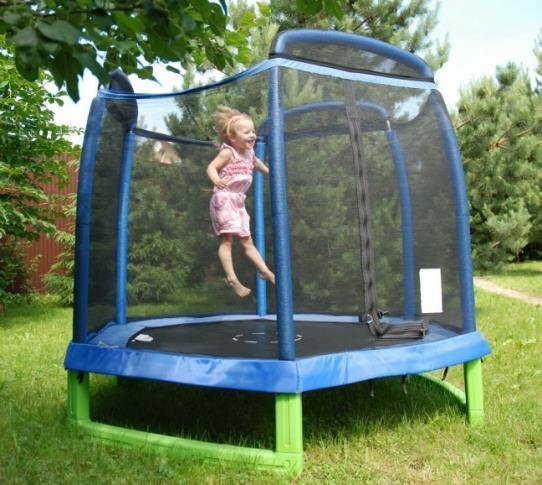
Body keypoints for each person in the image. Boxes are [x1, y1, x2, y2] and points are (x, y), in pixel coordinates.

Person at [206, 106, 275, 298]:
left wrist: (270, 172)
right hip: (224, 198)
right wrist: (216, 179)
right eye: (247, 132)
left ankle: (264, 270)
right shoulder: (228, 153)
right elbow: (211, 167)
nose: (252, 135)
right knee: (226, 240)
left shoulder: (250, 153)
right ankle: (231, 278)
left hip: (238, 202)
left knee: (247, 241)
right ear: (233, 137)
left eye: (253, 131)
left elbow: (256, 163)